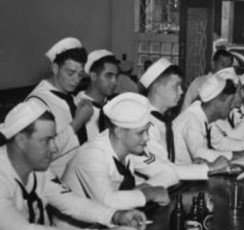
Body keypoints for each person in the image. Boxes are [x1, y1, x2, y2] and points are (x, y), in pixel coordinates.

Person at [0, 99, 147, 230]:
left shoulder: (39, 168)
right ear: (20, 140)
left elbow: (70, 202)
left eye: (53, 139)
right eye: (46, 140)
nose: (54, 148)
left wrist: (115, 215)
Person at [62, 93, 170, 210]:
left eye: (147, 131)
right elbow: (107, 201)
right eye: (140, 133)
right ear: (119, 132)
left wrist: (143, 188)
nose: (147, 138)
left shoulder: (125, 149)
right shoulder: (92, 156)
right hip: (78, 227)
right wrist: (150, 193)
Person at [133, 58, 229, 187]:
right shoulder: (143, 124)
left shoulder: (162, 120)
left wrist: (194, 166)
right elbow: (160, 169)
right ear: (156, 86)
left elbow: (166, 162)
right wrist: (209, 168)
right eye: (176, 86)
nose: (181, 91)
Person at [28, 37, 93, 177]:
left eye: (80, 74)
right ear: (55, 68)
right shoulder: (37, 102)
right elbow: (40, 154)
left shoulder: (70, 96)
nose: (76, 80)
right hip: (55, 183)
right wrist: (77, 123)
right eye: (70, 73)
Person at [173, 76, 244, 164]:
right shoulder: (192, 119)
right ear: (218, 101)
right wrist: (239, 155)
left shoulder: (202, 115)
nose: (231, 106)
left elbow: (220, 143)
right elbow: (200, 154)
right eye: (230, 100)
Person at [76, 49, 119, 141]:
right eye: (109, 76)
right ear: (93, 76)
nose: (114, 82)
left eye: (116, 77)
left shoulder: (114, 107)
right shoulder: (75, 107)